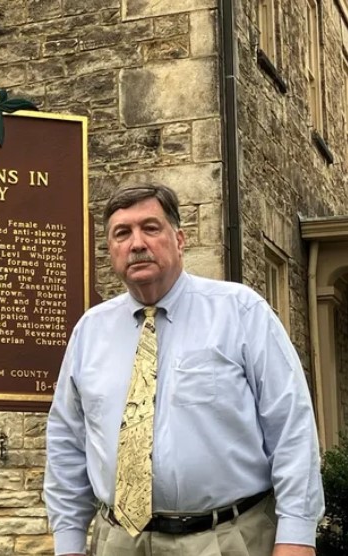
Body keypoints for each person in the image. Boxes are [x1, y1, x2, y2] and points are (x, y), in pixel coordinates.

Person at [44, 184, 324, 556]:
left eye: (151, 228)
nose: (137, 243)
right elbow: (67, 440)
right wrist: (68, 543)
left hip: (226, 539)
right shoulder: (89, 332)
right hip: (119, 542)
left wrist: (297, 537)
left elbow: (292, 428)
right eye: (122, 233)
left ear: (179, 239)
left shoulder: (240, 312)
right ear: (110, 250)